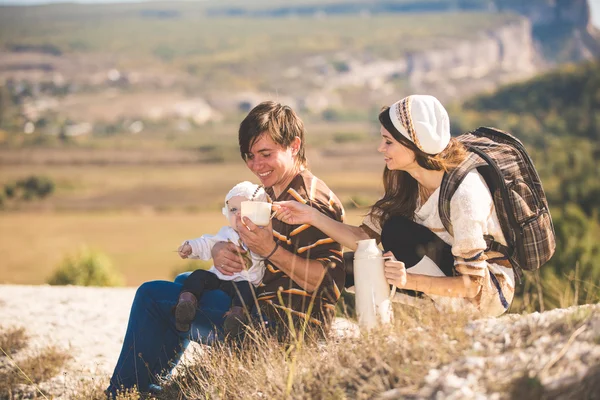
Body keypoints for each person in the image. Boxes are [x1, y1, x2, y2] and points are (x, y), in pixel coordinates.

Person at [106, 101, 345, 397]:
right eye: (250, 156)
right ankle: (150, 387)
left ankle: (123, 393)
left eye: (266, 154)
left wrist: (269, 250)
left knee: (151, 295)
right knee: (185, 285)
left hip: (281, 330)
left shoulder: (306, 201)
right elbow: (249, 249)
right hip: (261, 307)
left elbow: (328, 285)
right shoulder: (272, 191)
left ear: (294, 146)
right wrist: (221, 249)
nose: (257, 166)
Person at [274, 94, 515, 317]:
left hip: (487, 295)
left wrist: (407, 280)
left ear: (413, 144)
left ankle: (445, 317)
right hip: (442, 274)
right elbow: (362, 238)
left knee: (396, 231)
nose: (381, 148)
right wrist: (311, 215)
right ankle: (369, 328)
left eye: (388, 142)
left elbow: (472, 285)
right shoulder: (407, 180)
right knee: (348, 267)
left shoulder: (464, 194)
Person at [174, 181, 267, 335]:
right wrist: (190, 247)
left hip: (243, 281)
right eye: (233, 210)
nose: (238, 214)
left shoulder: (261, 236)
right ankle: (187, 301)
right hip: (219, 278)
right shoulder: (226, 233)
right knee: (198, 275)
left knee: (247, 290)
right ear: (226, 213)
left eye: (245, 210)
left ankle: (237, 315)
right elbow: (207, 243)